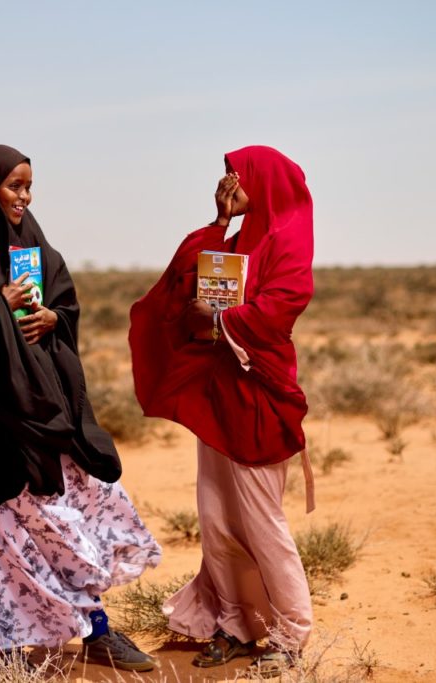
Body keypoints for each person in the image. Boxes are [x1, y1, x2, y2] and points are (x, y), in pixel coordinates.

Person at [0, 144, 162, 672]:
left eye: (29, 186)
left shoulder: (36, 247)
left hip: (48, 410)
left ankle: (96, 633)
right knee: (8, 528)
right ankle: (8, 651)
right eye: (14, 186)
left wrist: (54, 319)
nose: (24, 197)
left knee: (66, 518)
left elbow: (66, 305)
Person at [129, 145, 315, 676]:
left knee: (261, 521)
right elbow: (185, 276)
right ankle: (235, 624)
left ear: (268, 180)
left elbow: (281, 307)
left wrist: (215, 323)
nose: (229, 178)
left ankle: (291, 632)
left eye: (239, 171)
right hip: (219, 394)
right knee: (217, 518)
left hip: (258, 396)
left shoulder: (290, 240)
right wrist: (218, 221)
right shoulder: (244, 239)